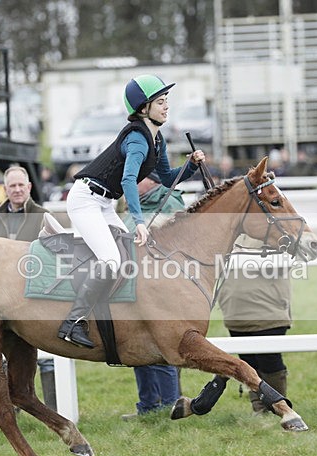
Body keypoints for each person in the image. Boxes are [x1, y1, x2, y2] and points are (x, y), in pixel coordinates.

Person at [57, 74, 205, 349]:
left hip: (103, 203)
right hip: (85, 200)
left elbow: (167, 176)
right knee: (112, 260)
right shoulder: (137, 139)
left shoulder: (157, 140)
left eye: (166, 101)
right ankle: (72, 322)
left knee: (130, 256)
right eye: (160, 102)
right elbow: (128, 180)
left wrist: (192, 166)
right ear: (143, 108)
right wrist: (138, 221)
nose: (166, 107)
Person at [0, 165, 57, 411]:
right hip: (3, 300)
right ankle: (13, 406)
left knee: (47, 356)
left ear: (29, 187)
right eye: (12, 186)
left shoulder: (44, 216)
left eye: (20, 185)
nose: (16, 190)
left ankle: (54, 405)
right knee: (6, 354)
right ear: (5, 190)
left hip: (37, 296)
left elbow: (57, 255)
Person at [119, 173, 183, 419]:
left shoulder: (171, 204)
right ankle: (147, 406)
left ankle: (170, 407)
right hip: (133, 283)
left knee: (161, 350)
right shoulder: (133, 204)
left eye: (138, 180)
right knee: (137, 348)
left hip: (160, 287)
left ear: (153, 182)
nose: (131, 185)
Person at [217, 234, 292, 414]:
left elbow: (281, 265)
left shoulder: (273, 232)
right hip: (235, 313)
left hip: (268, 312)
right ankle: (259, 407)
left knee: (269, 362)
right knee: (248, 363)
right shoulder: (231, 234)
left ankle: (276, 407)